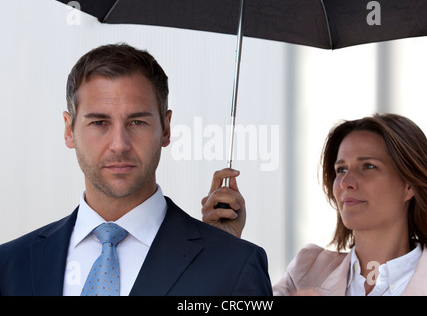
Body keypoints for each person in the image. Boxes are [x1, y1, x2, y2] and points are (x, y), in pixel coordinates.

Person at [0, 43, 272, 296]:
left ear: (166, 129)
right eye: (99, 123)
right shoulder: (10, 265)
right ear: (68, 130)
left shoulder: (235, 265)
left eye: (137, 122)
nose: (119, 145)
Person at [202, 113, 427, 295]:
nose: (346, 182)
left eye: (368, 166)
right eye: (341, 169)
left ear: (410, 185)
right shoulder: (308, 268)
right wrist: (225, 245)